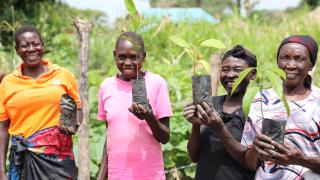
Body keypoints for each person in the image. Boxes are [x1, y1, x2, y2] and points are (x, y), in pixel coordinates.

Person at [0, 25, 82, 180]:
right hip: (22, 160)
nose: (32, 49)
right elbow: (2, 129)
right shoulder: (8, 83)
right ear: (17, 49)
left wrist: (75, 124)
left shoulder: (63, 75)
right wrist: (1, 171)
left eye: (36, 44)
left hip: (58, 160)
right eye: (25, 45)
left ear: (43, 45)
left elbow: (78, 107)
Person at [242, 35, 320, 179]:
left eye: (299, 59)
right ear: (277, 62)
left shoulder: (317, 101)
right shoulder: (260, 99)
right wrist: (256, 148)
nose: (290, 65)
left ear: (311, 65)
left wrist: (299, 159)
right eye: (285, 58)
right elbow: (250, 164)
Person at [96, 32, 173, 180]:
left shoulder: (157, 83)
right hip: (117, 176)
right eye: (122, 57)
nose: (128, 62)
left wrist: (149, 117)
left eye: (134, 57)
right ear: (115, 55)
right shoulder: (107, 86)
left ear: (143, 56)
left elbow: (164, 137)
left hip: (150, 175)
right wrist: (100, 177)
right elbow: (110, 138)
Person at [184, 45, 257, 180]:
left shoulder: (256, 109)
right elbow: (194, 156)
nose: (230, 75)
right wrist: (195, 124)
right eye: (225, 70)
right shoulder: (211, 103)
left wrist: (220, 128)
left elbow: (252, 163)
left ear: (252, 74)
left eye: (238, 70)